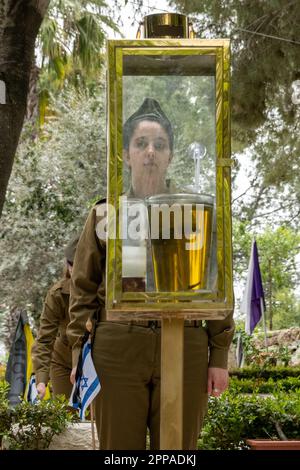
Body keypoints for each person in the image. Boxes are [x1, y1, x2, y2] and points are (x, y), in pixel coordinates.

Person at [67, 98, 235, 450]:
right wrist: (79, 355)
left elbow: (217, 285)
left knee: (177, 454)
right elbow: (82, 292)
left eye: (159, 145)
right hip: (116, 349)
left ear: (170, 154)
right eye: (141, 144)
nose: (150, 153)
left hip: (184, 344)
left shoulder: (194, 214)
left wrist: (218, 356)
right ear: (127, 154)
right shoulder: (105, 215)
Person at [32, 236, 78, 399]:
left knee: (100, 417)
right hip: (63, 360)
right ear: (67, 264)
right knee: (66, 415)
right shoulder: (57, 294)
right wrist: (41, 380)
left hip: (98, 360)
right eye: (72, 265)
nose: (75, 270)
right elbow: (45, 338)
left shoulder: (104, 292)